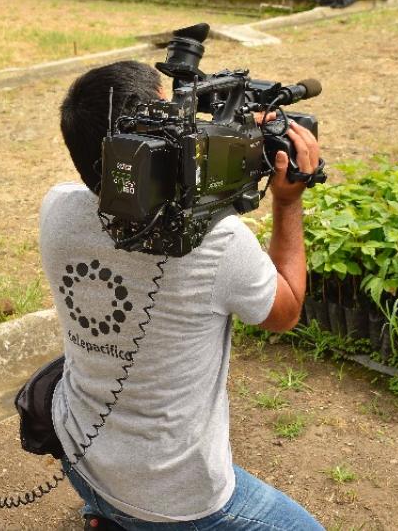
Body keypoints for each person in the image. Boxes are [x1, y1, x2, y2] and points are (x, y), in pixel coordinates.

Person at [42, 62, 324, 530]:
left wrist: (225, 142)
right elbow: (286, 308)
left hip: (80, 453)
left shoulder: (58, 210)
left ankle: (106, 515)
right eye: (175, 118)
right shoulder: (220, 244)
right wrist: (288, 201)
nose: (187, 126)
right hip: (173, 499)